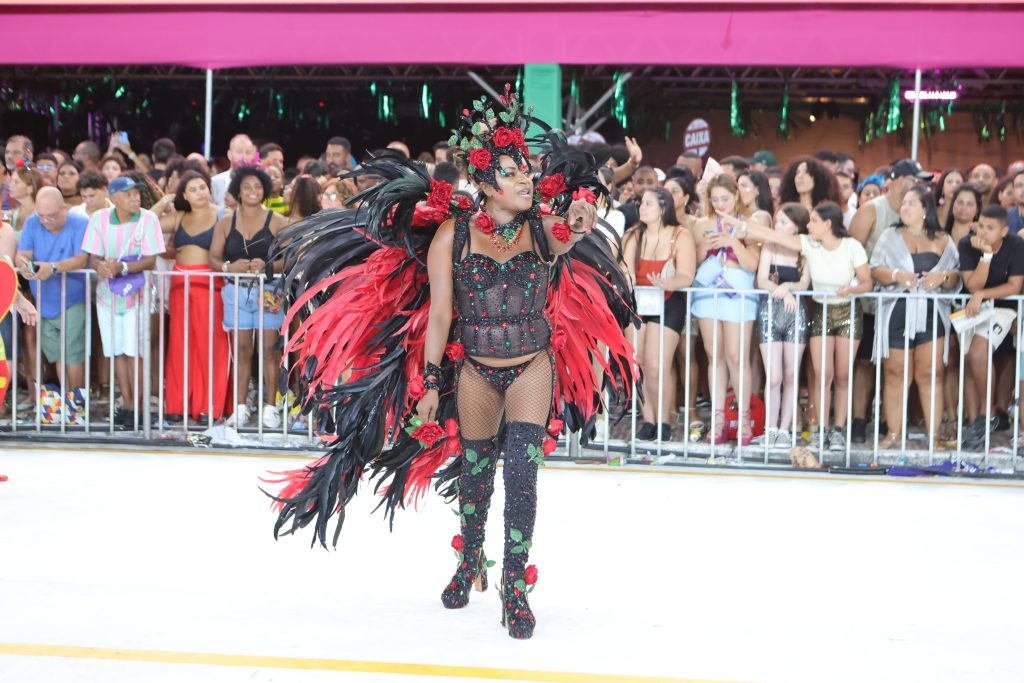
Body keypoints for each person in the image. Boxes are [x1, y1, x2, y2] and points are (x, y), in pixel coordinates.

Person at [266, 88, 637, 641]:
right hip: (476, 370)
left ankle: (514, 587)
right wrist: (431, 383)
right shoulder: (453, 234)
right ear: (485, 184)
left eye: (527, 170)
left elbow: (571, 231)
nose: (526, 179)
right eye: (512, 172)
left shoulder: (544, 228)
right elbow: (440, 315)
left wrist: (581, 215)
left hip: (532, 365)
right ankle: (469, 562)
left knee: (522, 476)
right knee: (476, 474)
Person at [738, 202, 873, 453]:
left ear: (827, 224)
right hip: (818, 310)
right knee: (820, 374)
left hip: (846, 311)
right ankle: (816, 429)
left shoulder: (849, 246)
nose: (809, 225)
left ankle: (837, 430)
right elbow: (772, 239)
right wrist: (741, 226)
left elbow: (867, 282)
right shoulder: (809, 244)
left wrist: (851, 289)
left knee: (842, 375)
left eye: (813, 221)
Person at [847, 159, 932, 443]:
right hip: (869, 302)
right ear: (896, 181)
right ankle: (859, 419)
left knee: (894, 366)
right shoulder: (872, 210)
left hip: (902, 305)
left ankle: (888, 420)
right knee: (865, 363)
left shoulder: (918, 213)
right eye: (913, 179)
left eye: (919, 181)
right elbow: (850, 252)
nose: (917, 184)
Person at [869, 185, 961, 449]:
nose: (905, 207)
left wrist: (942, 276)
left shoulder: (942, 239)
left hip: (932, 313)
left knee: (931, 374)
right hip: (897, 311)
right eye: (904, 203)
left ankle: (933, 436)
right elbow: (875, 270)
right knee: (895, 372)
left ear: (925, 209)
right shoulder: (890, 235)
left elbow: (956, 276)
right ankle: (893, 434)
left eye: (911, 203)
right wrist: (897, 275)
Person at [81, 176, 166, 428]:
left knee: (134, 352)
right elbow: (93, 256)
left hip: (137, 295)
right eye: (128, 194)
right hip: (106, 296)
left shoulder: (148, 219)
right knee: (116, 351)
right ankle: (127, 404)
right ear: (114, 198)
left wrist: (123, 268)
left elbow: (150, 260)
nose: (135, 198)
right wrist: (101, 266)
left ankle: (139, 407)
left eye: (136, 193)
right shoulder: (99, 219)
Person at [208, 166, 289, 429]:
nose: (252, 191)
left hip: (269, 291)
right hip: (236, 291)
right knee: (241, 351)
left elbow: (291, 257)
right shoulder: (225, 222)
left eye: (257, 186)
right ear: (237, 191)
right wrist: (228, 267)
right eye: (246, 187)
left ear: (264, 190)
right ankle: (240, 407)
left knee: (269, 351)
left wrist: (268, 267)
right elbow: (213, 257)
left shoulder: (278, 221)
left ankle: (270, 407)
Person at [691, 175, 763, 445]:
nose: (720, 203)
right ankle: (718, 419)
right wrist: (703, 249)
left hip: (738, 291)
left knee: (737, 355)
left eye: (725, 198)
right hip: (709, 291)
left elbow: (753, 264)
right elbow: (693, 262)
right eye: (715, 199)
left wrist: (733, 243)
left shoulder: (749, 223)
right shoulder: (702, 224)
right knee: (715, 355)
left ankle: (743, 418)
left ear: (736, 196)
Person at [622, 188, 696, 441]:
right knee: (639, 362)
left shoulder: (680, 235)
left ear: (664, 207)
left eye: (649, 204)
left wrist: (668, 283)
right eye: (641, 203)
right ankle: (648, 419)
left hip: (668, 300)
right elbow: (626, 268)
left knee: (657, 365)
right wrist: (628, 279)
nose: (642, 208)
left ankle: (664, 420)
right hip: (638, 302)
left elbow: (686, 275)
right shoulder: (634, 234)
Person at [160, 170, 232, 424]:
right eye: (193, 189)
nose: (200, 192)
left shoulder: (223, 214)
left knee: (211, 346)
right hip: (180, 285)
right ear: (184, 195)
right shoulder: (179, 216)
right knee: (179, 345)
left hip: (211, 286)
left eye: (202, 187)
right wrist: (164, 200)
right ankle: (177, 404)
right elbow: (146, 223)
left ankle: (210, 406)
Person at [957, 205, 1024, 449]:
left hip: (1003, 308)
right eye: (981, 226)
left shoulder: (1016, 245)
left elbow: (1014, 286)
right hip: (972, 310)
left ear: (1004, 231)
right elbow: (972, 285)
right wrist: (985, 256)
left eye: (990, 228)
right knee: (969, 362)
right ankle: (976, 424)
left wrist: (983, 294)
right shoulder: (967, 244)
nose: (983, 232)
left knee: (978, 353)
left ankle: (987, 415)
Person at [14, 186, 90, 399]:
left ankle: (76, 402)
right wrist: (25, 265)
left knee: (72, 353)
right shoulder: (32, 222)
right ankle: (67, 400)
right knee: (57, 354)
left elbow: (81, 259)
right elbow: (22, 254)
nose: (46, 220)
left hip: (73, 298)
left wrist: (54, 267)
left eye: (52, 216)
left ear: (64, 208)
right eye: (42, 216)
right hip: (43, 300)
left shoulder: (80, 223)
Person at [754, 203, 811, 448]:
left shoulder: (805, 250)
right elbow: (761, 280)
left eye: (783, 222)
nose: (777, 226)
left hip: (796, 314)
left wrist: (788, 287)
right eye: (776, 221)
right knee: (774, 376)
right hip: (770, 311)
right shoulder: (770, 246)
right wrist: (783, 292)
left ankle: (785, 429)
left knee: (790, 375)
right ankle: (770, 427)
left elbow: (804, 283)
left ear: (797, 227)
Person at [210, 134, 256, 206]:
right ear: (229, 155)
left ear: (253, 156)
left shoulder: (259, 184)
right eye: (239, 152)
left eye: (248, 153)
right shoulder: (215, 183)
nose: (244, 157)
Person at [7, 164, 42, 234]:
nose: (10, 185)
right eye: (11, 181)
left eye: (16, 182)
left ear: (30, 188)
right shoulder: (14, 214)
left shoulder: (40, 215)